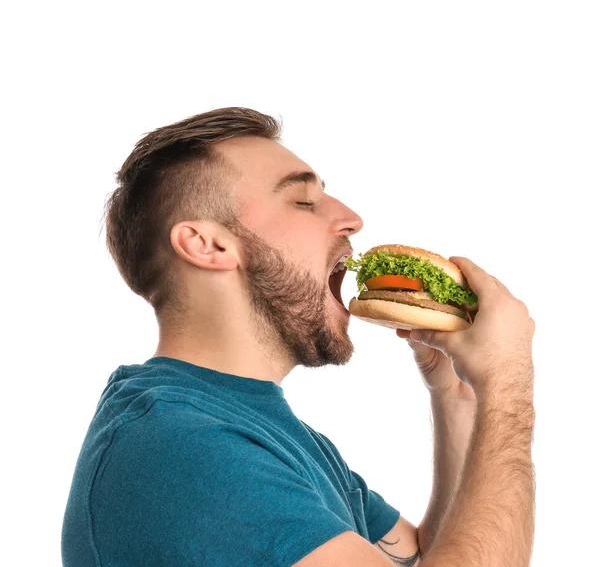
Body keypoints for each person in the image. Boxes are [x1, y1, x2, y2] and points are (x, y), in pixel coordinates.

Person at [61, 107, 536, 566]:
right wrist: (508, 385)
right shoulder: (182, 448)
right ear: (207, 245)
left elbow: (425, 554)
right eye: (303, 201)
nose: (352, 218)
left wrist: (455, 394)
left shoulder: (263, 432)